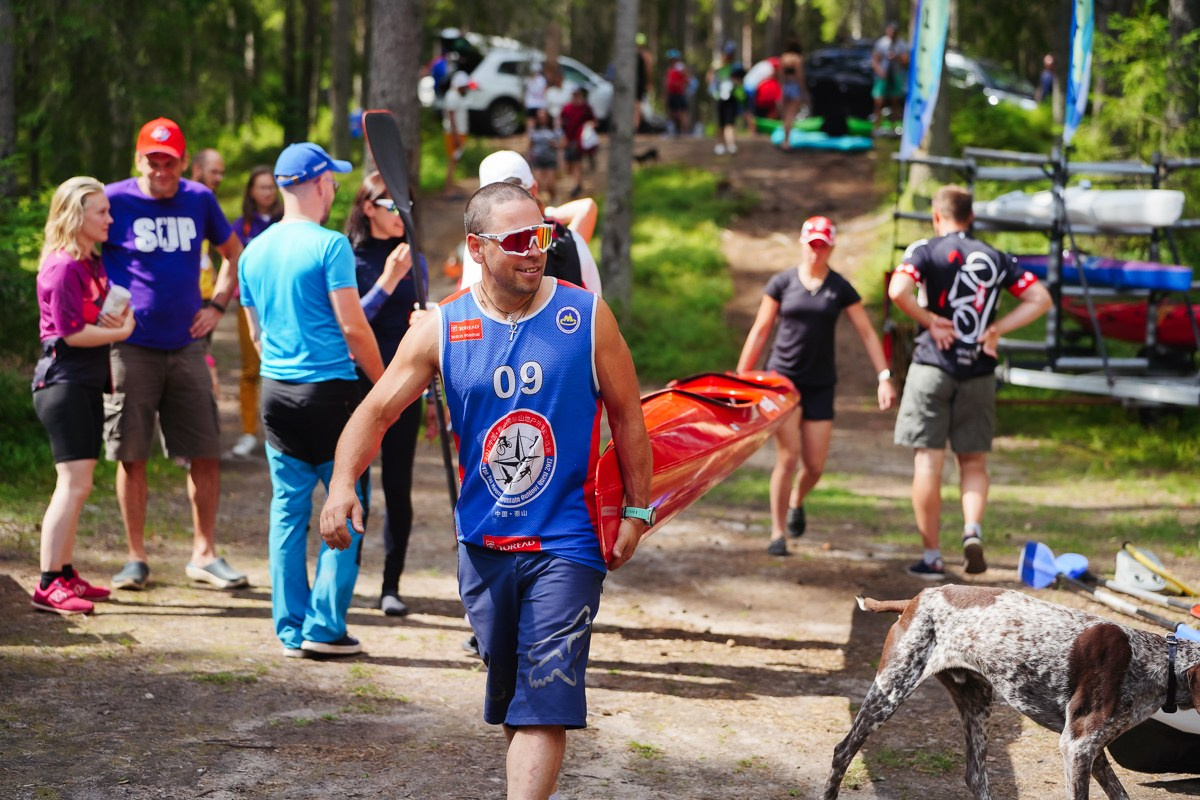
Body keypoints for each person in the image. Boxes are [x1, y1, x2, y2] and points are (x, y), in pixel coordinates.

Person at [319, 182, 652, 800]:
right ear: (477, 248)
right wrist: (342, 485)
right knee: (515, 700)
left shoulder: (586, 317)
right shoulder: (442, 327)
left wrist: (636, 508)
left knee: (545, 701)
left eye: (543, 236)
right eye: (519, 240)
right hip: (483, 543)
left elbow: (629, 414)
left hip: (568, 540)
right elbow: (376, 411)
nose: (536, 250)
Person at [238, 142, 384, 657]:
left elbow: (255, 336)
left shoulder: (252, 251)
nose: (334, 191)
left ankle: (290, 629)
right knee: (348, 503)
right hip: (330, 396)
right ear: (320, 184)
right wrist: (386, 384)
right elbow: (353, 327)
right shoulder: (331, 245)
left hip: (276, 394)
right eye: (333, 183)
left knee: (287, 511)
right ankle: (324, 628)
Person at [102, 117, 247, 592]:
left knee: (205, 450)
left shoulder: (199, 199)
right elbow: (81, 251)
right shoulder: (114, 199)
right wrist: (97, 312)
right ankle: (135, 557)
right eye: (152, 161)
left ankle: (204, 553)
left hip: (187, 346)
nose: (160, 170)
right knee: (131, 453)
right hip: (130, 347)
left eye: (169, 162)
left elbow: (234, 252)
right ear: (138, 159)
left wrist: (217, 306)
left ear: (184, 162)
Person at [888, 185, 1051, 579]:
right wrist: (996, 329)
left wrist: (930, 320)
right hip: (978, 368)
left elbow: (898, 291)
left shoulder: (924, 250)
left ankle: (931, 557)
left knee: (928, 460)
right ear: (971, 217)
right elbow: (1040, 299)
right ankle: (972, 530)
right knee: (973, 461)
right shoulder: (996, 256)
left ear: (936, 216)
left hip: (932, 365)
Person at [736, 216, 897, 556]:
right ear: (802, 244)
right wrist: (740, 377)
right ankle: (777, 533)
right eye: (812, 245)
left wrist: (884, 376)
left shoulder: (840, 288)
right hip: (783, 381)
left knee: (814, 466)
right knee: (788, 457)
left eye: (822, 246)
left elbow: (867, 333)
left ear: (831, 247)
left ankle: (797, 499)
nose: (816, 252)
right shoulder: (782, 283)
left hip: (821, 383)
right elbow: (761, 330)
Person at [30, 177, 136, 614]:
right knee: (71, 484)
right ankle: (47, 583)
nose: (110, 219)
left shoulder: (90, 262)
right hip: (63, 385)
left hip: (87, 383)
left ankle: (65, 573)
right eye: (102, 212)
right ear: (77, 216)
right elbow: (71, 334)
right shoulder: (62, 267)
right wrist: (122, 331)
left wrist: (119, 320)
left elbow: (102, 318)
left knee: (81, 483)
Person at [345, 171, 438, 617]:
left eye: (406, 205)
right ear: (367, 208)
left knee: (398, 487)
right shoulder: (348, 257)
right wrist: (386, 280)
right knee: (353, 483)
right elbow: (350, 324)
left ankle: (390, 584)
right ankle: (344, 580)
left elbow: (423, 329)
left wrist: (432, 398)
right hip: (357, 385)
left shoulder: (414, 259)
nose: (402, 212)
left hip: (404, 387)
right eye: (391, 204)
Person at [459, 150, 602, 295]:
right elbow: (594, 301)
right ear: (534, 189)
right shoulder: (570, 239)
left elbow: (469, 302)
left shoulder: (484, 246)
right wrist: (547, 216)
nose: (534, 252)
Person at [229, 166, 283, 458]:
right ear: (251, 191)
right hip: (249, 306)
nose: (267, 192)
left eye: (271, 187)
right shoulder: (242, 227)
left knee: (282, 366)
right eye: (262, 187)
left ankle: (280, 431)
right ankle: (249, 432)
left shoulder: (285, 222)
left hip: (281, 304)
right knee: (251, 369)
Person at [190, 148, 229, 397]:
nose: (219, 178)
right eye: (214, 172)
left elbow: (229, 252)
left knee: (201, 357)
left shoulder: (208, 202)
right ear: (197, 169)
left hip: (206, 295)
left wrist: (217, 303)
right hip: (187, 296)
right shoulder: (185, 199)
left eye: (221, 173)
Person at [871, 21, 909, 134]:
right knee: (879, 101)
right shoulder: (881, 43)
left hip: (896, 75)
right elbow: (875, 61)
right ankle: (876, 127)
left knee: (895, 102)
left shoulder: (901, 44)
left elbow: (906, 61)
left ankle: (894, 128)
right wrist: (881, 72)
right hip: (883, 76)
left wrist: (896, 57)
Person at [560, 85, 596, 198]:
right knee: (568, 165)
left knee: (576, 163)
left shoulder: (585, 108)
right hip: (569, 139)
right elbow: (562, 123)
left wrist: (589, 127)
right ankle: (578, 183)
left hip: (579, 140)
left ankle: (576, 185)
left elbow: (593, 121)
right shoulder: (567, 108)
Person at [709, 41, 743, 155]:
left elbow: (740, 81)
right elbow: (710, 79)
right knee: (721, 123)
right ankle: (720, 144)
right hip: (720, 97)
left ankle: (731, 144)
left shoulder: (736, 67)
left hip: (732, 97)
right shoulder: (716, 66)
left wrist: (734, 82)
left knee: (730, 122)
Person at [443, 71, 474, 196]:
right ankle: (448, 190)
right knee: (453, 160)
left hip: (458, 132)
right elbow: (451, 117)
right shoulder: (452, 96)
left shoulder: (456, 96)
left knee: (455, 161)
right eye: (464, 86)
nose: (466, 88)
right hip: (454, 133)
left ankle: (451, 187)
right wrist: (455, 136)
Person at [526, 108, 562, 204]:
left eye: (543, 116)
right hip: (537, 159)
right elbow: (530, 145)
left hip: (550, 159)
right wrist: (528, 157)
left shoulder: (554, 130)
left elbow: (562, 144)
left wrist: (555, 144)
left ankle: (554, 199)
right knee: (537, 183)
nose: (542, 118)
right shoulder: (534, 131)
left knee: (550, 183)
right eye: (540, 117)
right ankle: (540, 203)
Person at [778, 41, 809, 149]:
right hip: (794, 87)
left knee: (785, 115)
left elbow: (781, 75)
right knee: (790, 116)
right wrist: (804, 90)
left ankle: (784, 140)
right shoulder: (797, 59)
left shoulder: (783, 58)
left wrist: (781, 90)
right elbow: (800, 76)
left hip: (786, 86)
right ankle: (786, 142)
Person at [663, 50, 690, 137]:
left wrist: (679, 84)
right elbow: (667, 82)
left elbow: (687, 80)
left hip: (679, 93)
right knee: (672, 113)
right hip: (672, 93)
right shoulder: (670, 68)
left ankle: (684, 132)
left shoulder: (680, 67)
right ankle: (670, 130)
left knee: (681, 113)